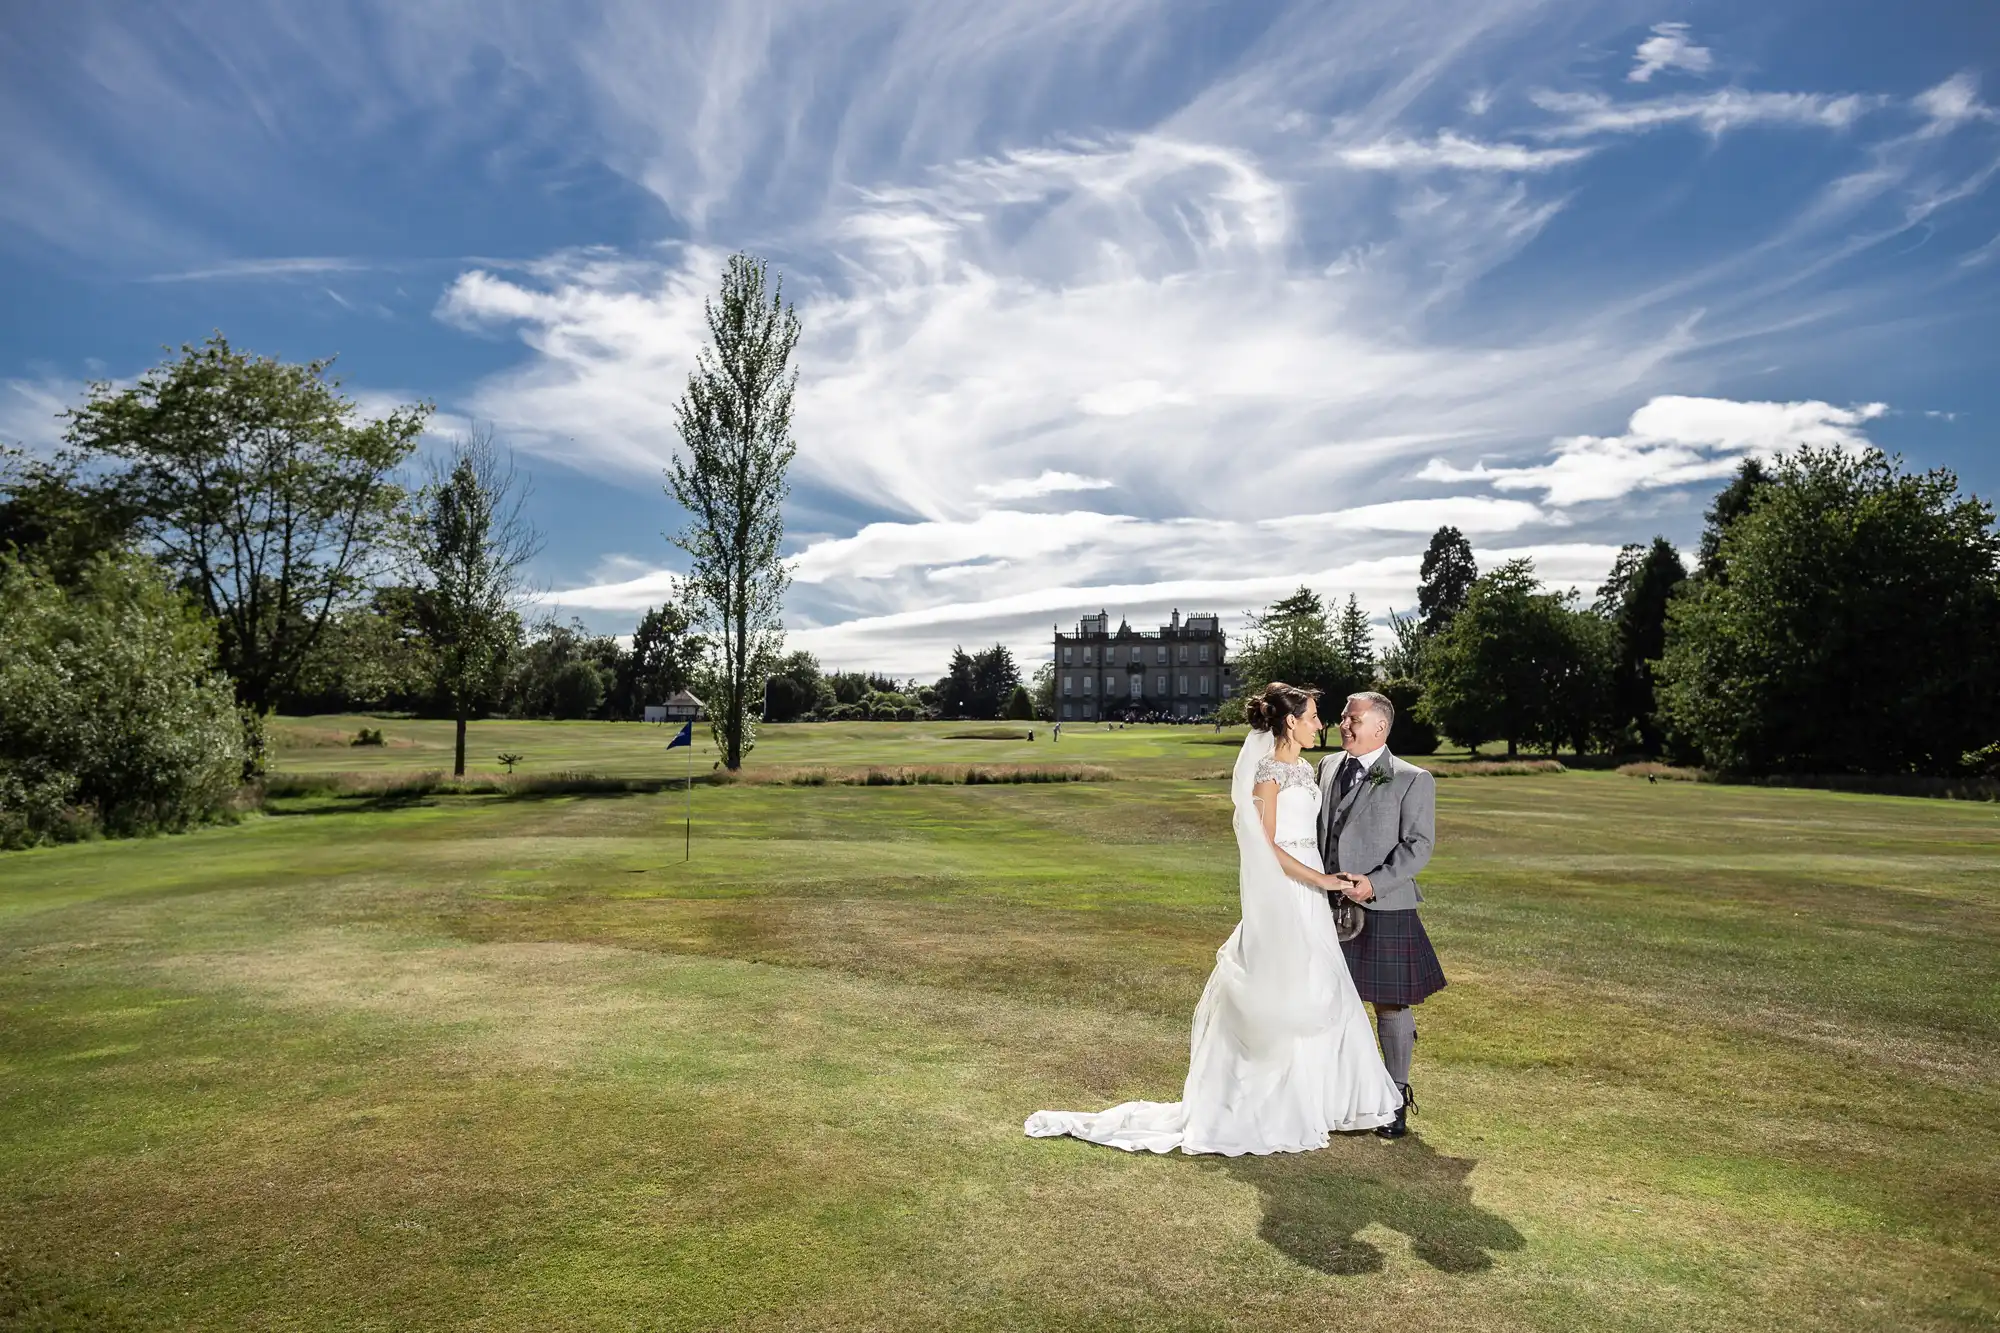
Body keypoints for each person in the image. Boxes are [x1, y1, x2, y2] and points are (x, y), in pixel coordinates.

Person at [1025, 682, 1401, 1154]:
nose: (1320, 724)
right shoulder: (1267, 774)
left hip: (1309, 894)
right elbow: (1266, 848)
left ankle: (1320, 1099)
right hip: (1288, 891)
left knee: (1317, 989)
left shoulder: (1307, 769)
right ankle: (1265, 1106)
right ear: (1291, 722)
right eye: (1312, 717)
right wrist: (1322, 881)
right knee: (1280, 987)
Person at [1317, 690, 1445, 1141]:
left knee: (1390, 1004)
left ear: (1380, 728)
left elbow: (1418, 846)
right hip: (1325, 905)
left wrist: (1373, 883)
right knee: (1326, 1000)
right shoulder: (1328, 766)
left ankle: (1395, 1098)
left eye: (1353, 719)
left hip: (1384, 904)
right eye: (1342, 718)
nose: (1344, 725)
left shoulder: (1413, 778)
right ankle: (1336, 1095)